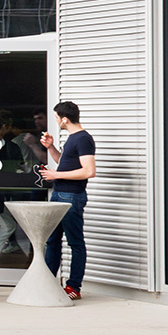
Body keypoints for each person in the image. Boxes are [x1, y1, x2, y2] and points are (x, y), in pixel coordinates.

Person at [36, 100, 95, 300]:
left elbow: (89, 171)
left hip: (71, 195)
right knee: (52, 241)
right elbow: (64, 164)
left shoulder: (83, 139)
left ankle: (73, 287)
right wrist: (51, 147)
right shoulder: (73, 138)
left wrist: (56, 176)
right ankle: (48, 283)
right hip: (60, 193)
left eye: (56, 118)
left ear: (64, 119)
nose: (56, 122)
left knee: (75, 242)